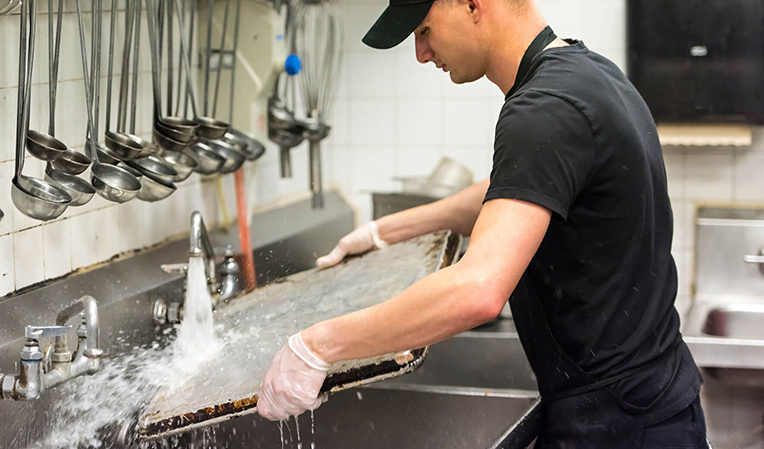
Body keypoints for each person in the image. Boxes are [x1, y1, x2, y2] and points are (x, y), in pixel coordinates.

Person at [257, 0, 710, 447]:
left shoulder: (542, 109)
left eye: (424, 30)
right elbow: (516, 190)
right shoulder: (586, 72)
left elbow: (478, 292)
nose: (421, 54)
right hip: (652, 401)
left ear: (473, 5)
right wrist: (386, 231)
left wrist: (318, 345)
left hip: (619, 424)